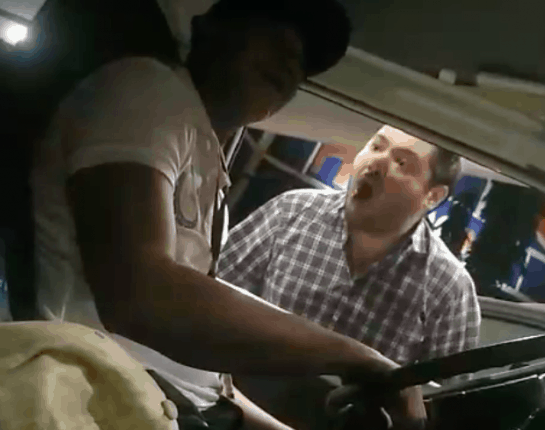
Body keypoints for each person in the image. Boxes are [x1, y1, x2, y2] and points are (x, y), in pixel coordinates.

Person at [31, 0, 425, 429]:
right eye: (276, 39)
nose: (292, 62)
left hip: (173, 404)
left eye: (303, 65)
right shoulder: (146, 88)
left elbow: (212, 387)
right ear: (211, 27)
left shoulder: (205, 153)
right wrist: (354, 356)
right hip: (100, 394)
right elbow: (141, 294)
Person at [217, 125, 481, 367]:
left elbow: (447, 392)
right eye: (376, 147)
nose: (376, 163)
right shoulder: (291, 211)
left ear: (432, 196)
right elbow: (216, 298)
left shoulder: (449, 287)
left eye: (401, 163)